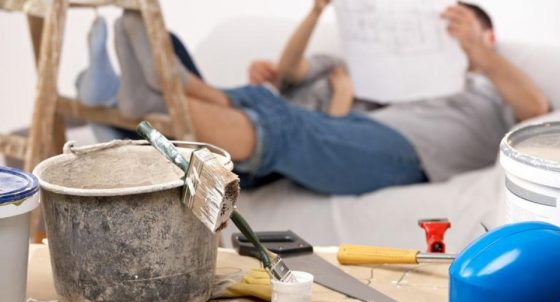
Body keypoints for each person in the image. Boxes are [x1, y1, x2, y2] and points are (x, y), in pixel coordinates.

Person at [86, 1, 549, 195]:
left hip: (410, 156)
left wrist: (475, 51)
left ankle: (145, 95)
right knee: (271, 108)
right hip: (363, 130)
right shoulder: (383, 79)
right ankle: (147, 93)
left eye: (461, 26)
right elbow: (297, 77)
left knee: (284, 123)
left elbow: (536, 109)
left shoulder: (492, 88)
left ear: (488, 36)